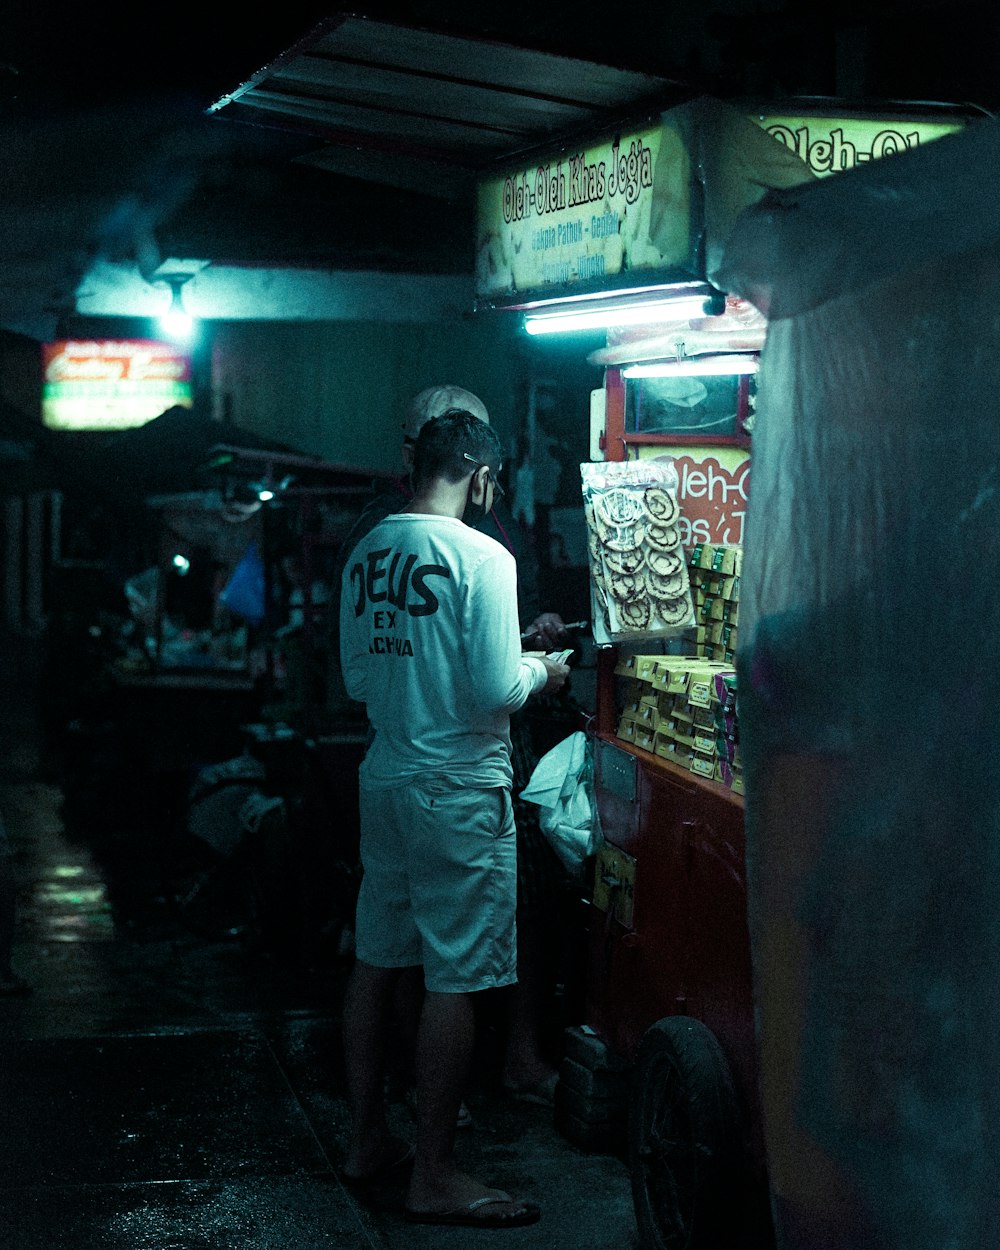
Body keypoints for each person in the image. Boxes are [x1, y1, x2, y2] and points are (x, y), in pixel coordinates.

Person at [338, 410, 569, 1228]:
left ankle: (368, 1139)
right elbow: (499, 691)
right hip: (459, 792)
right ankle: (433, 1172)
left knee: (377, 961)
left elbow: (360, 681)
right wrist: (544, 668)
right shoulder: (484, 555)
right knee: (454, 982)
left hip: (388, 779)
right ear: (480, 475)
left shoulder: (368, 550)